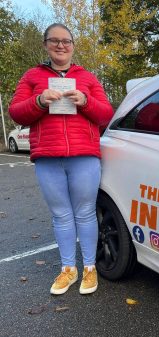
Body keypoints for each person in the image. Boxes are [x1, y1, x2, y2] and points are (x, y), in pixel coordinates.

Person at [9, 23, 114, 295]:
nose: (60, 45)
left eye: (66, 41)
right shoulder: (32, 76)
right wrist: (40, 101)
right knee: (61, 215)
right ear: (45, 44)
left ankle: (89, 268)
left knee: (85, 213)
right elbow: (16, 113)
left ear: (73, 45)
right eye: (54, 41)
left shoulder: (88, 78)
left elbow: (105, 114)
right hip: (48, 157)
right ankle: (69, 269)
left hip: (84, 157)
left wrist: (85, 100)